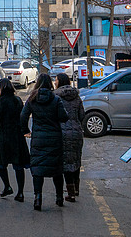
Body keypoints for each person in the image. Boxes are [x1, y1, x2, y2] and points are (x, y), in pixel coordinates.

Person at [20, 72, 67, 210]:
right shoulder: (56, 99)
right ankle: (59, 197)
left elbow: (23, 117)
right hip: (55, 138)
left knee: (38, 169)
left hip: (38, 139)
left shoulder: (32, 99)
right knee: (57, 169)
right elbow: (64, 117)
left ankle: (38, 198)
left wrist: (25, 131)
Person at [0, 77, 29, 202]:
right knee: (18, 165)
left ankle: (7, 186)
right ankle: (20, 192)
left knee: (0, 163)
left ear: (3, 88)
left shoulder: (1, 101)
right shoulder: (17, 100)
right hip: (17, 136)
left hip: (4, 136)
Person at [54, 72, 85, 202]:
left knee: (66, 162)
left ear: (60, 82)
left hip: (62, 132)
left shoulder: (56, 97)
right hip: (77, 132)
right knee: (76, 160)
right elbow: (82, 114)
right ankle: (76, 188)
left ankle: (71, 193)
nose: (54, 82)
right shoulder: (77, 97)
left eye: (55, 80)